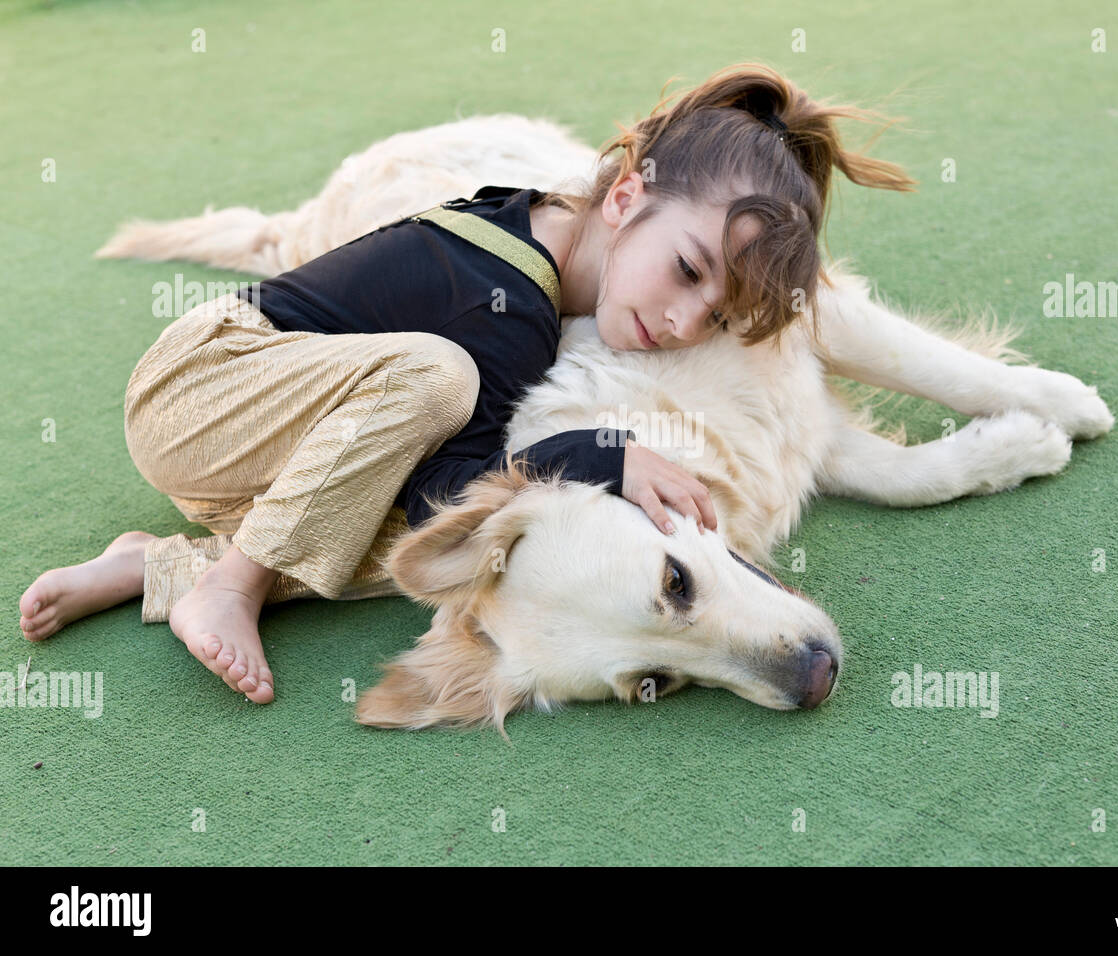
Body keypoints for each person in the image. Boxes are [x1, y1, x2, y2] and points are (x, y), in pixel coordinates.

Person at [17, 62, 915, 704]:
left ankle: (159, 566)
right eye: (686, 269)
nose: (684, 321)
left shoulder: (543, 239)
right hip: (203, 389)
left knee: (421, 544)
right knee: (438, 386)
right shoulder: (509, 298)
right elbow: (467, 473)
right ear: (625, 197)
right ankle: (236, 582)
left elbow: (442, 497)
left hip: (275, 447)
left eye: (714, 315)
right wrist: (609, 453)